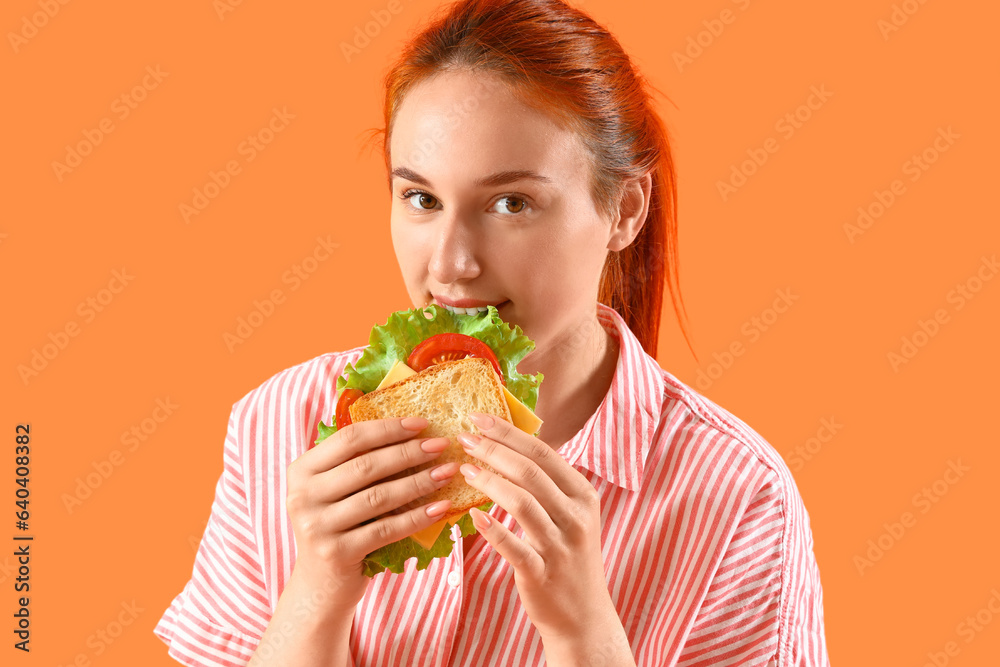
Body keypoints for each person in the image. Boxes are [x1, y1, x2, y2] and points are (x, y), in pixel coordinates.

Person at [154, 0, 830, 665]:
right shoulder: (279, 426)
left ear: (624, 209)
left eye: (512, 203)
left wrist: (586, 637)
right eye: (421, 198)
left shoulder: (738, 495)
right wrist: (316, 594)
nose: (450, 263)